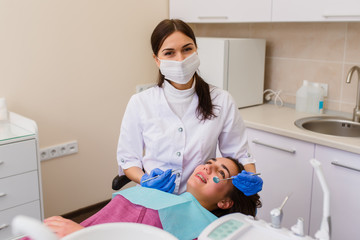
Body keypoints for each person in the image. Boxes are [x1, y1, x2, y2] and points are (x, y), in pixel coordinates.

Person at [117, 18, 263, 195]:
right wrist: (144, 180)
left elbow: (238, 154)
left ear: (196, 51)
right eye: (169, 53)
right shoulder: (140, 103)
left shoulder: (221, 100)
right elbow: (128, 159)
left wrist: (251, 176)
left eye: (187, 49)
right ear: (157, 59)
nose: (180, 59)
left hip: (199, 201)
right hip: (153, 197)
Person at [42, 157, 261, 240]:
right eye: (209, 161)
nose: (208, 166)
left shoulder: (205, 229)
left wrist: (83, 236)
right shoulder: (166, 199)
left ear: (225, 203)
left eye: (220, 173)